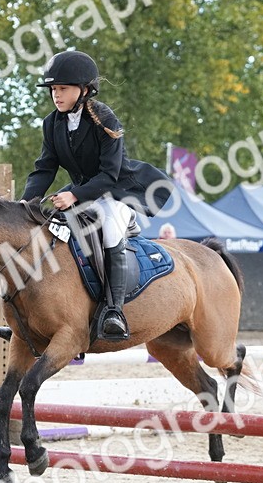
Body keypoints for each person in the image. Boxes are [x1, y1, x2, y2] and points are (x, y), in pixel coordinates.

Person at [21, 50, 175, 341]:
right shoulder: (52, 123)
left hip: (117, 192)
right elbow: (44, 168)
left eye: (63, 88)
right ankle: (36, 315)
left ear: (84, 90)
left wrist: (74, 196)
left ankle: (114, 311)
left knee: (109, 228)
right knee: (43, 226)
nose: (56, 95)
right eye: (54, 89)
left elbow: (109, 174)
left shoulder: (104, 118)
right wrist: (26, 202)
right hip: (82, 192)